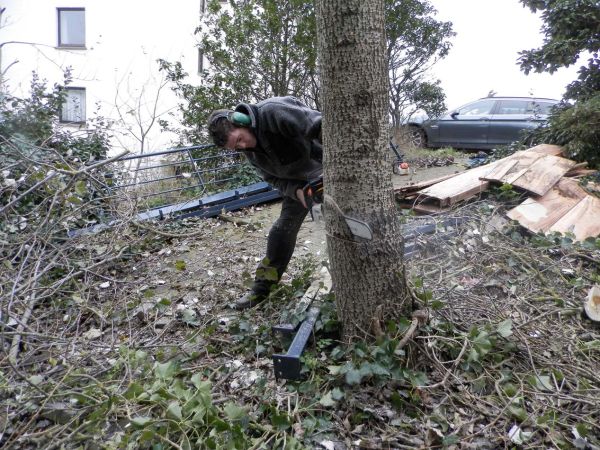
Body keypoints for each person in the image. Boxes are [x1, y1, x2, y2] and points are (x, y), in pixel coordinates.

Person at [207, 96, 323, 310]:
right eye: (236, 147)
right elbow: (274, 179)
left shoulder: (273, 112)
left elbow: (319, 125)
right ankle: (261, 290)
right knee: (281, 232)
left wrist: (337, 164)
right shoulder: (251, 154)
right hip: (302, 184)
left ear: (241, 121)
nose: (242, 146)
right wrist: (298, 192)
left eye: (240, 139)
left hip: (327, 165)